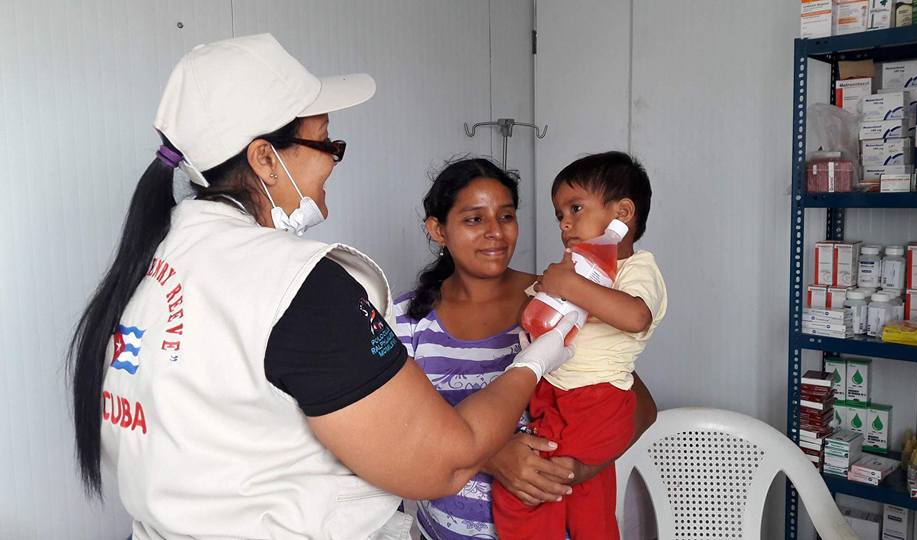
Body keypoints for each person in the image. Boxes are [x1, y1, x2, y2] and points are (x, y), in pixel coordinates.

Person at [66, 33, 576, 539]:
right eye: (327, 143)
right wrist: (536, 359)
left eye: (506, 216)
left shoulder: (150, 264)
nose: (334, 159)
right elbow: (441, 462)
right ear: (265, 159)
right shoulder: (296, 285)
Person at [393, 157, 658, 539]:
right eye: (473, 219)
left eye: (505, 216)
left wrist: (575, 468)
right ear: (438, 230)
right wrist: (489, 455)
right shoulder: (406, 320)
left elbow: (637, 406)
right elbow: (393, 433)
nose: (495, 233)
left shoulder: (555, 299)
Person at [492, 151, 668, 539]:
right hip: (557, 391)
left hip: (597, 399)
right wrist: (544, 293)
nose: (565, 223)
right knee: (588, 498)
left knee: (530, 491)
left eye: (575, 208)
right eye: (560, 215)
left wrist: (570, 285)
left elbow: (636, 317)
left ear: (622, 214)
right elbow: (533, 311)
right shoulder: (577, 267)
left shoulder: (637, 270)